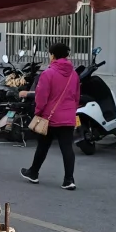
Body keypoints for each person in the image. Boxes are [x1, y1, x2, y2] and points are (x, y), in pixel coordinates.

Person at [20, 42, 80, 190]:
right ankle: (69, 180)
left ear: (52, 55)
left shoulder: (48, 73)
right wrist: (71, 111)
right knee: (67, 148)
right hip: (68, 117)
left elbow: (41, 97)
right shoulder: (74, 74)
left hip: (50, 117)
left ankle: (33, 173)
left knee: (43, 145)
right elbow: (77, 97)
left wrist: (38, 112)